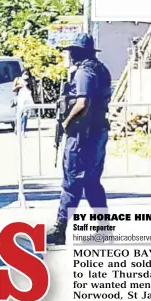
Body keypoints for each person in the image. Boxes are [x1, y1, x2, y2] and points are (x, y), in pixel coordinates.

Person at [47, 33, 112, 246]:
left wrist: (66, 123)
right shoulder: (100, 69)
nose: (68, 56)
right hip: (96, 131)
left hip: (83, 135)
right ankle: (104, 229)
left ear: (77, 53)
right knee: (92, 183)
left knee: (72, 182)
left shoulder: (85, 72)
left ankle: (60, 228)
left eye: (71, 52)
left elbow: (82, 102)